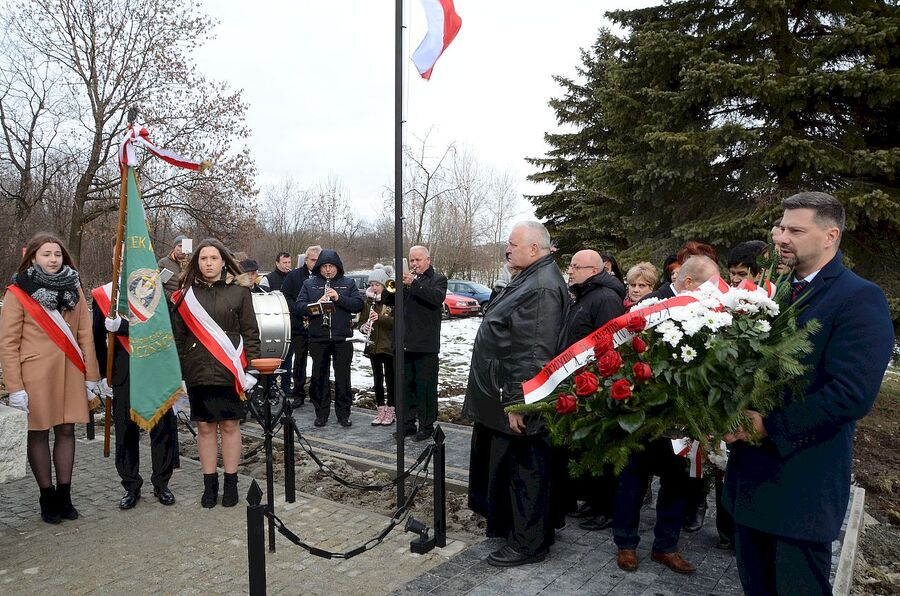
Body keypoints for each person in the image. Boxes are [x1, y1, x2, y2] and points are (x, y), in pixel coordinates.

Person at [723, 192, 893, 595]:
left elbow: (851, 394)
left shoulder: (858, 297)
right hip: (750, 484)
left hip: (801, 489)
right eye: (780, 226)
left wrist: (769, 427)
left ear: (830, 235)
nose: (781, 237)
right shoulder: (771, 291)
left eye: (796, 230)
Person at [463, 221, 570, 567]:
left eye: (512, 244)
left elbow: (533, 351)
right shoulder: (530, 277)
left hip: (521, 399)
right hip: (506, 392)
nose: (506, 249)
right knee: (513, 469)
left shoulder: (540, 287)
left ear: (535, 249)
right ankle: (519, 530)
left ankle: (528, 543)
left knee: (526, 472)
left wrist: (520, 403)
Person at [614, 255, 721, 575]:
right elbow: (626, 354)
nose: (716, 292)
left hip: (685, 418)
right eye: (710, 286)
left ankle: (666, 546)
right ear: (689, 283)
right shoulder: (651, 304)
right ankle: (626, 544)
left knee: (678, 482)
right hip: (646, 416)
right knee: (632, 481)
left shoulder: (709, 309)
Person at [0, 233, 101, 524]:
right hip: (35, 375)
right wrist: (15, 387)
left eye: (57, 254)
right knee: (39, 432)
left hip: (71, 370)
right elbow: (8, 343)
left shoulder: (75, 288)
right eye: (46, 254)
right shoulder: (18, 291)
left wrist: (91, 376)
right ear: (33, 257)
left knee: (67, 430)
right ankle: (47, 496)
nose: (53, 259)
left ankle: (65, 495)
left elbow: (84, 335)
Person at [171, 238, 260, 508]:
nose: (208, 263)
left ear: (224, 262)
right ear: (196, 263)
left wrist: (252, 368)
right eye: (203, 259)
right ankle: (209, 484)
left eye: (214, 258)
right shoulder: (184, 294)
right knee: (205, 428)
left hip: (229, 369)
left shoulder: (240, 292)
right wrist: (179, 374)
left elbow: (250, 332)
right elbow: (177, 337)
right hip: (197, 370)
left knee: (231, 426)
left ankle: (231, 483)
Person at [557, 249, 626, 532]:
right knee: (586, 447)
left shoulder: (606, 298)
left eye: (576, 266)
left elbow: (608, 344)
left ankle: (606, 508)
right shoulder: (587, 294)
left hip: (596, 385)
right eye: (570, 265)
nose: (570, 271)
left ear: (594, 270)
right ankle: (593, 501)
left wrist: (598, 383)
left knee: (601, 448)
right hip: (579, 381)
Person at [91, 283, 177, 508]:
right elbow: (97, 338)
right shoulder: (104, 294)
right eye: (117, 258)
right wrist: (102, 375)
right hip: (122, 372)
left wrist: (124, 326)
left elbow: (162, 327)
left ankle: (162, 483)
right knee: (125, 431)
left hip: (154, 369)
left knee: (161, 429)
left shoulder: (153, 289)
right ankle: (131, 485)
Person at [297, 249, 363, 427]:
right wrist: (317, 304)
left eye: (331, 266)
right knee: (319, 376)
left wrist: (339, 298)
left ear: (337, 267)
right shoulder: (309, 284)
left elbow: (358, 305)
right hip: (318, 337)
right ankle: (321, 413)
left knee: (343, 377)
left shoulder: (348, 283)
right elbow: (300, 306)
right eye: (324, 266)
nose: (327, 270)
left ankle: (343, 414)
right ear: (319, 267)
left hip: (342, 338)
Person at [391, 245, 447, 441]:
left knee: (425, 388)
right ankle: (406, 424)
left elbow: (436, 298)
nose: (414, 264)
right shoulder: (405, 281)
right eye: (412, 260)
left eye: (418, 260)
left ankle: (426, 425)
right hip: (404, 342)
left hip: (425, 344)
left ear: (428, 260)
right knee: (405, 387)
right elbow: (390, 301)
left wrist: (414, 283)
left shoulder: (438, 279)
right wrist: (396, 284)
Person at [281, 246, 321, 408]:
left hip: (318, 325)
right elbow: (286, 297)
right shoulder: (294, 275)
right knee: (299, 361)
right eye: (313, 260)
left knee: (319, 361)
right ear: (306, 260)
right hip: (299, 323)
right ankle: (298, 393)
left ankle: (317, 392)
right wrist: (301, 310)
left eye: (318, 260)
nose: (316, 263)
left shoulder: (323, 275)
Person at [357, 265, 396, 426]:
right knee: (377, 379)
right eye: (371, 284)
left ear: (384, 285)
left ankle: (391, 409)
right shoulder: (368, 302)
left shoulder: (391, 301)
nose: (374, 288)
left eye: (377, 285)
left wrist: (379, 318)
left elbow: (395, 323)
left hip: (389, 347)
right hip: (373, 346)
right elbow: (361, 321)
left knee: (391, 379)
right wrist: (363, 327)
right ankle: (380, 408)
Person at [261, 251, 293, 390]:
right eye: (284, 263)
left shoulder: (293, 278)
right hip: (273, 323)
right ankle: (270, 387)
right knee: (273, 357)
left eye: (289, 262)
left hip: (290, 323)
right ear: (277, 263)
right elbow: (261, 298)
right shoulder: (268, 279)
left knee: (288, 357)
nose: (287, 265)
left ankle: (286, 387)